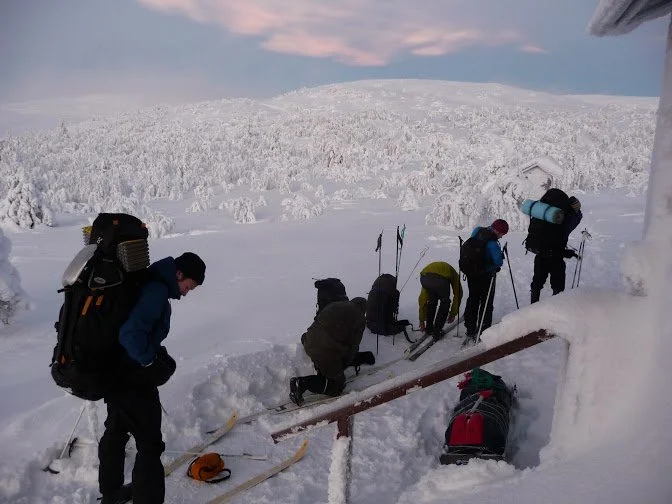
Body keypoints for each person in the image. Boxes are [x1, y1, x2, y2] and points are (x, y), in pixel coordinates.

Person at [98, 252, 206, 504]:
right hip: (133, 378)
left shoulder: (148, 281)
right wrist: (149, 361)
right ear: (178, 274)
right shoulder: (156, 291)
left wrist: (156, 353)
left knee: (115, 432)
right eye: (188, 286)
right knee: (149, 444)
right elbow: (130, 336)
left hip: (115, 374)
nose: (186, 293)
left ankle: (111, 494)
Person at [290, 297, 375, 406]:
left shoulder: (336, 304)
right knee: (337, 387)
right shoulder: (360, 319)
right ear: (364, 310)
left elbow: (318, 323)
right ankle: (301, 384)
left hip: (309, 341)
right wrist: (343, 366)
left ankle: (323, 371)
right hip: (325, 352)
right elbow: (353, 346)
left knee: (328, 362)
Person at [529, 192, 583, 303]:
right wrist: (576, 210)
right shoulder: (564, 218)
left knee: (537, 284)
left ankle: (531, 310)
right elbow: (575, 220)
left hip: (540, 255)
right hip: (556, 257)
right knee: (558, 287)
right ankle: (555, 311)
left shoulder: (541, 216)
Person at [463, 219, 508, 340]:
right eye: (502, 234)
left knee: (473, 299)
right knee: (486, 302)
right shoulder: (492, 243)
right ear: (498, 231)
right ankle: (484, 329)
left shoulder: (477, 231)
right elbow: (498, 262)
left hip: (471, 273)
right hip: (485, 275)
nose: (501, 236)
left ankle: (470, 328)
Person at [418, 261, 462, 339]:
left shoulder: (432, 270)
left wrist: (421, 319)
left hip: (424, 277)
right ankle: (437, 331)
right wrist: (452, 313)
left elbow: (423, 299)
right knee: (445, 302)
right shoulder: (454, 275)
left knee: (432, 301)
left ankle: (429, 328)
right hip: (439, 281)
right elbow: (458, 293)